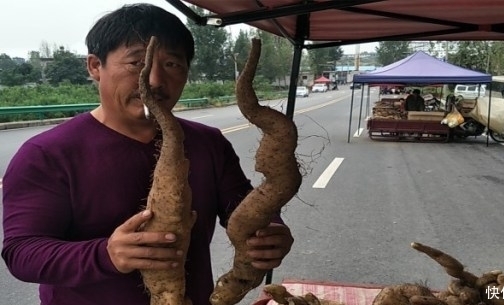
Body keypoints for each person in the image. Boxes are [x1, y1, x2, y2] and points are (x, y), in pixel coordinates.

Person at [1, 4, 293, 305]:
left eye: (172, 65)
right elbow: (22, 253)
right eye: (137, 62)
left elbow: (244, 209)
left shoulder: (208, 142)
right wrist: (106, 254)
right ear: (94, 66)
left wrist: (271, 233)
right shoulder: (47, 154)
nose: (154, 80)